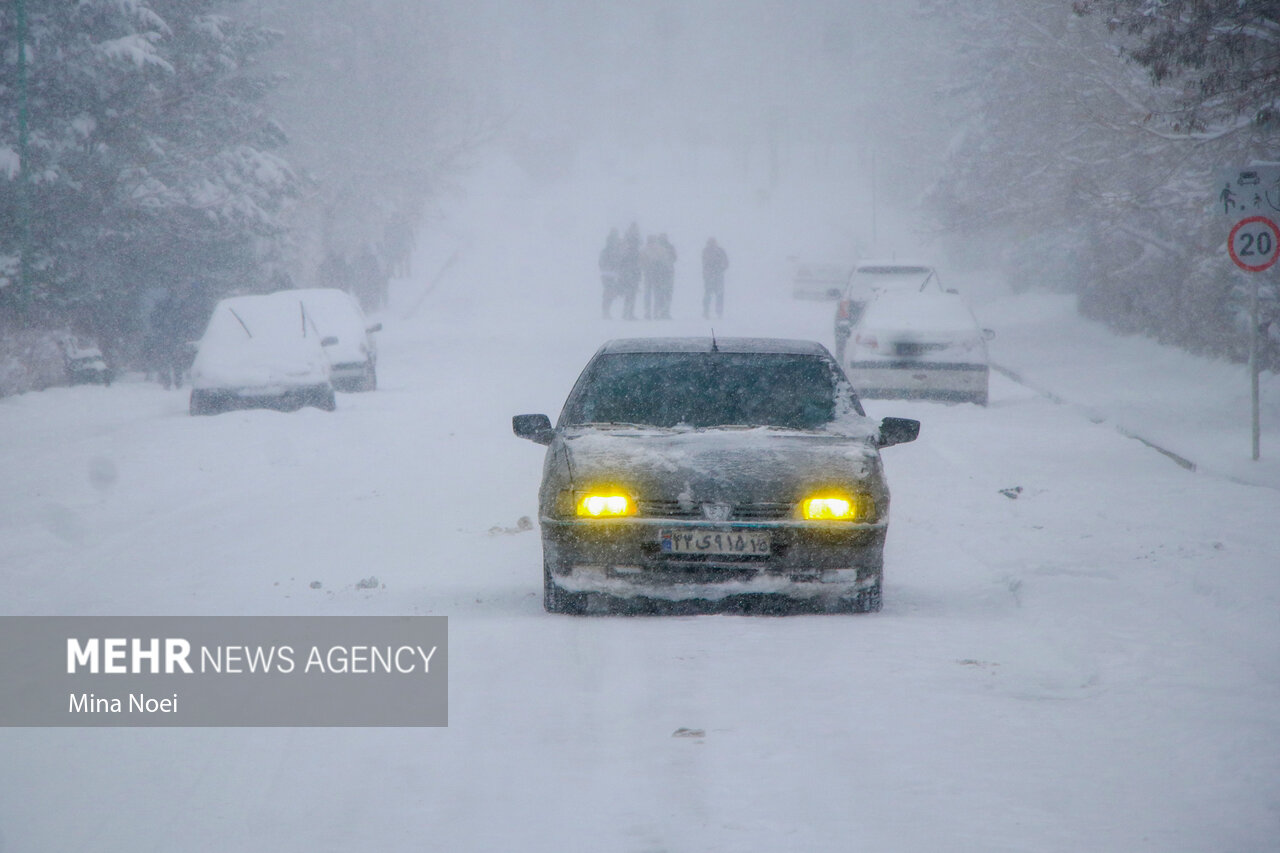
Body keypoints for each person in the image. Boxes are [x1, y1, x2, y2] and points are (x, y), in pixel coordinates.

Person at [618, 223, 642, 320]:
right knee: (631, 295)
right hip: (631, 276)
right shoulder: (633, 253)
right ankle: (628, 313)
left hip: (629, 275)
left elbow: (622, 264)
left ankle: (627, 313)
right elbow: (637, 265)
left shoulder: (628, 252)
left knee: (629, 295)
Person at [702, 237, 729, 319]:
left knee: (716, 294)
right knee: (710, 295)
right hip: (711, 276)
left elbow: (726, 263)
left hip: (715, 276)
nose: (711, 244)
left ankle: (717, 312)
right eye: (710, 243)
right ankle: (707, 312)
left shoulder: (716, 251)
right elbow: (704, 263)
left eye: (712, 242)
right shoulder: (707, 251)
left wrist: (721, 268)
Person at [599, 228, 623, 319]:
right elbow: (603, 262)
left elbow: (601, 262)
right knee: (609, 292)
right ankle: (606, 312)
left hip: (609, 274)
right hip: (609, 274)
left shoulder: (610, 249)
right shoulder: (610, 249)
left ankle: (606, 311)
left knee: (610, 292)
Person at [655, 233, 677, 319]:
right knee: (666, 293)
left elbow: (674, 258)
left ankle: (661, 311)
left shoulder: (657, 247)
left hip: (661, 273)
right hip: (667, 272)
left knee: (661, 293)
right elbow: (675, 258)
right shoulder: (669, 247)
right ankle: (664, 312)